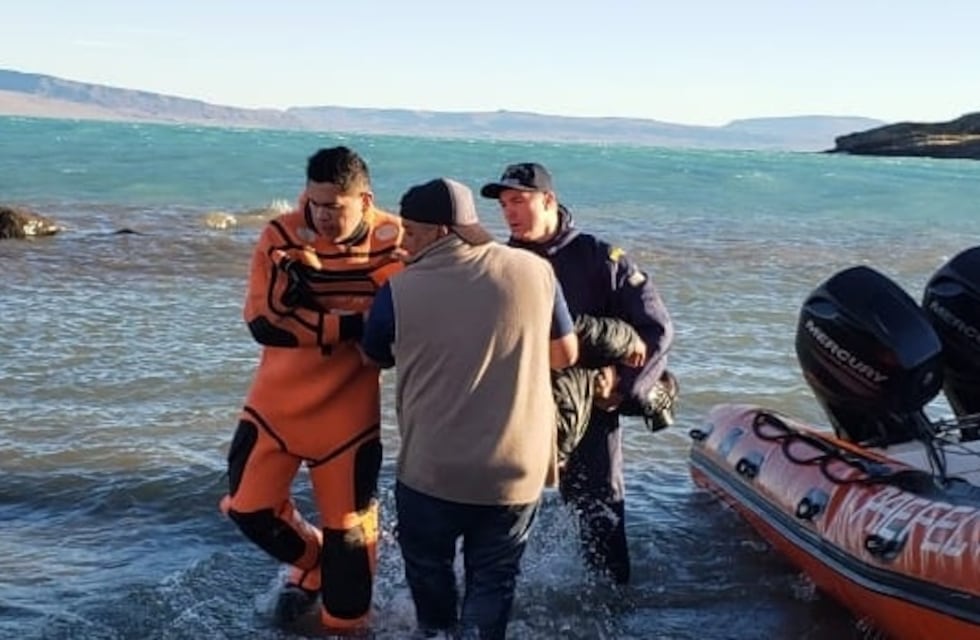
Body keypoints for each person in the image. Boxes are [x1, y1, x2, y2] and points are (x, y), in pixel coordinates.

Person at [360, 177, 578, 640]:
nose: (404, 243)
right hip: (515, 472)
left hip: (433, 471)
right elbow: (565, 354)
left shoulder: (399, 291)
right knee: (494, 580)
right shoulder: (535, 270)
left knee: (429, 571)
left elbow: (372, 356)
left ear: (442, 233)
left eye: (412, 234)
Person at [219, 146, 403, 634]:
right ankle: (315, 561)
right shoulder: (281, 234)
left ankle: (343, 579)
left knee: (346, 612)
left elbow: (418, 316)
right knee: (247, 509)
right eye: (315, 204)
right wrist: (356, 324)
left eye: (334, 207)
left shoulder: (399, 241)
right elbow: (265, 323)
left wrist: (334, 323)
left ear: (365, 200)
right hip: (274, 405)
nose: (321, 216)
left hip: (349, 419)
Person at [480, 162, 676, 585]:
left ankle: (610, 612)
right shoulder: (500, 263)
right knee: (498, 521)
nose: (510, 212)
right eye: (504, 204)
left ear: (548, 200)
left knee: (600, 518)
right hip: (518, 412)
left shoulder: (601, 259)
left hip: (589, 414)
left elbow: (656, 329)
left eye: (519, 201)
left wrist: (620, 386)